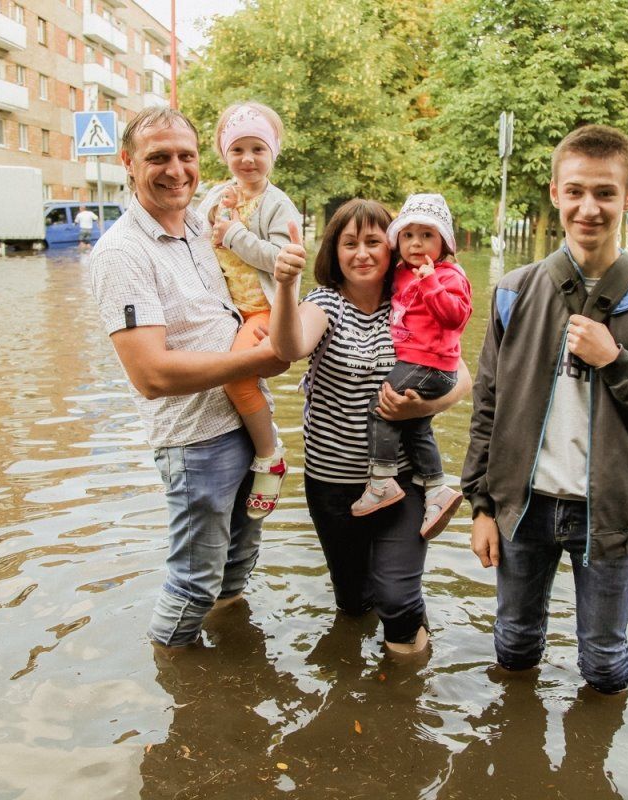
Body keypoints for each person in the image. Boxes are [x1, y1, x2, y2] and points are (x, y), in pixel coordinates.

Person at [462, 124, 628, 694]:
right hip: (523, 506)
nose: (589, 208)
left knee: (602, 660)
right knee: (513, 643)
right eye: (575, 191)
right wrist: (481, 504)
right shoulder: (514, 293)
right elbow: (488, 406)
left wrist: (617, 362)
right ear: (555, 193)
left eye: (605, 192)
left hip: (613, 513)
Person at [88, 105, 288, 648]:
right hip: (195, 442)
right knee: (194, 583)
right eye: (158, 157)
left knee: (238, 562)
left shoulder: (203, 224)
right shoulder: (121, 252)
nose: (176, 170)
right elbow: (150, 375)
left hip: (246, 422)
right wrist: (258, 360)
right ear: (128, 162)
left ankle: (228, 664)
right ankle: (172, 673)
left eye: (186, 156)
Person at [270, 199, 470, 655]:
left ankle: (408, 683)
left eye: (373, 242)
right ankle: (368, 681)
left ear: (392, 247)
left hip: (402, 480)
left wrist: (421, 409)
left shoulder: (414, 296)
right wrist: (284, 286)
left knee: (396, 601)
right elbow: (290, 348)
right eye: (349, 243)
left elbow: (462, 377)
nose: (361, 253)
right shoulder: (324, 303)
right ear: (334, 252)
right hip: (333, 484)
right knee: (354, 603)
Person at [196, 102, 301, 519]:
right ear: (224, 153)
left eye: (258, 149)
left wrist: (235, 233)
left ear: (273, 152)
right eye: (237, 149)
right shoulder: (216, 195)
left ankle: (269, 456)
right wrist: (214, 219)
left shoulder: (278, 205)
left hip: (264, 309)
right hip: (225, 309)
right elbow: (195, 239)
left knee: (235, 379)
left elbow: (281, 260)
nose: (248, 159)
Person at [351, 193, 470, 541]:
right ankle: (436, 489)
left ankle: (381, 481)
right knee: (416, 427)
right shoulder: (402, 272)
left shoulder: (449, 275)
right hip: (417, 362)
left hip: (430, 364)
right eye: (408, 235)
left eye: (427, 235)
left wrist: (431, 282)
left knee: (380, 407)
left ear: (443, 242)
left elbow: (456, 318)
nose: (416, 243)